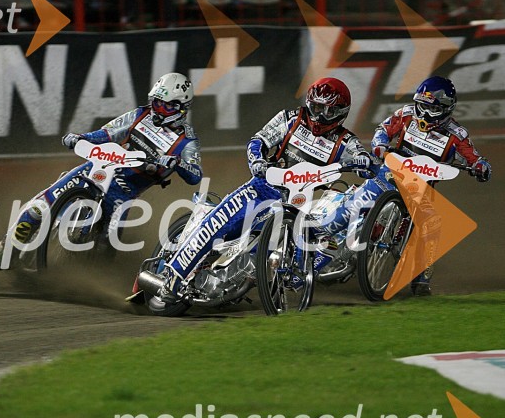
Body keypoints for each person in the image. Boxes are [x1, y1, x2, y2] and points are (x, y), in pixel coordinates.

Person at [158, 77, 371, 296]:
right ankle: (173, 274)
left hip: (302, 203)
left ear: (341, 112)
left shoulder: (346, 141)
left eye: (327, 111)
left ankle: (233, 283)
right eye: (316, 107)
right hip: (264, 187)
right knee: (221, 223)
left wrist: (365, 161)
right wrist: (257, 161)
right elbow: (258, 141)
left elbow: (365, 158)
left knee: (313, 244)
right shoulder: (290, 119)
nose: (319, 116)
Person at [0, 72, 203, 270]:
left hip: (124, 191)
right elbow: (107, 134)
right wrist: (80, 138)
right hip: (97, 168)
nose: (158, 110)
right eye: (157, 103)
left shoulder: (187, 140)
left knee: (107, 246)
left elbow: (195, 175)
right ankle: (9, 248)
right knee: (40, 205)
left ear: (181, 108)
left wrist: (177, 163)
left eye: (166, 107)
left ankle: (88, 282)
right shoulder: (139, 115)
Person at [370, 75, 491, 296]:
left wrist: (481, 166)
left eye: (431, 109)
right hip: (389, 175)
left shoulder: (457, 134)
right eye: (421, 106)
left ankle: (421, 278)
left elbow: (474, 158)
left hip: (422, 190)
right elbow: (383, 130)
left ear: (446, 109)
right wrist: (379, 145)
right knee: (360, 198)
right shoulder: (406, 114)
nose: (423, 114)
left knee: (432, 224)